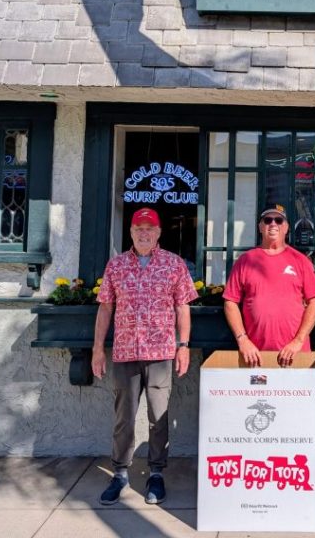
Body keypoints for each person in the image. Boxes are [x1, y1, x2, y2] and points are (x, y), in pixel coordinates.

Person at [91, 207, 196, 505]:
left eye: (150, 228)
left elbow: (182, 307)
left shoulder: (174, 264)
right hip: (125, 352)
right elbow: (105, 308)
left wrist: (184, 345)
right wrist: (98, 349)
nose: (144, 233)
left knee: (158, 416)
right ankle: (120, 473)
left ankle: (156, 474)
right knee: (123, 417)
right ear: (131, 232)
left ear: (159, 232)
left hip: (161, 352)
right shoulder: (116, 265)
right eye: (139, 228)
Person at [223, 203, 315, 368]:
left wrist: (298, 341)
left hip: (295, 354)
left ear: (286, 228)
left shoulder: (301, 261)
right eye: (267, 220)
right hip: (255, 356)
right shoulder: (245, 261)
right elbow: (230, 302)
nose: (273, 224)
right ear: (260, 227)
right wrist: (243, 340)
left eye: (279, 220)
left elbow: (314, 302)